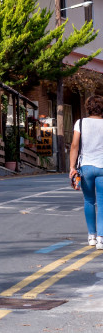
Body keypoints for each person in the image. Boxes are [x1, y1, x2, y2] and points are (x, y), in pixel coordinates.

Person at [68, 94, 103, 247]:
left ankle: (91, 236)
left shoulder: (80, 123)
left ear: (88, 107)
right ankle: (101, 238)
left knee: (89, 201)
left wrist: (72, 167)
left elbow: (75, 146)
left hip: (86, 167)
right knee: (102, 204)